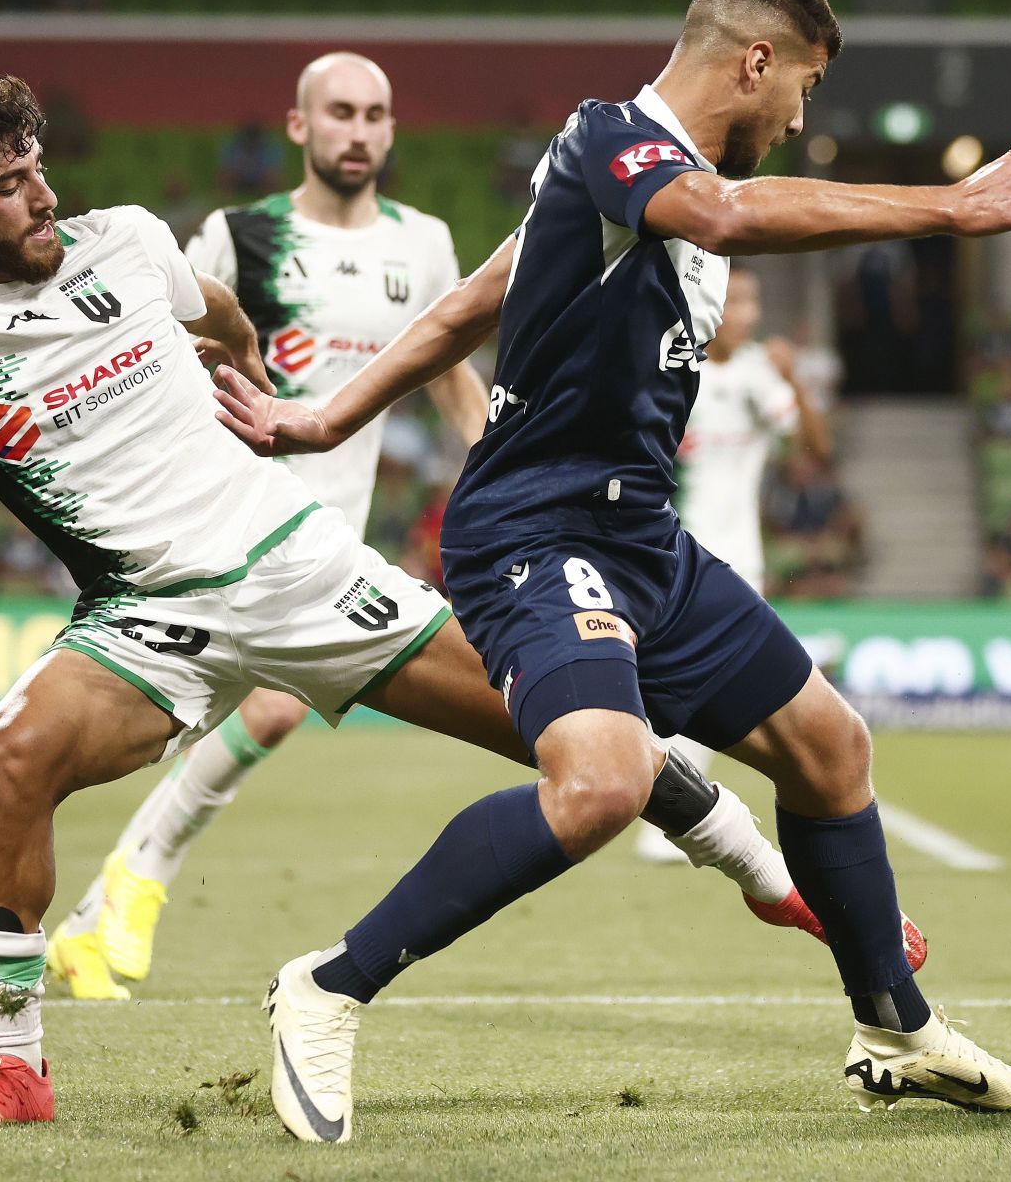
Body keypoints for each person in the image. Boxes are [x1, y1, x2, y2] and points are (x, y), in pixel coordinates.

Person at [0, 69, 854, 1131]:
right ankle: (14, 1065)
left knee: (572, 736)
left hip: (295, 561)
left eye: (35, 168)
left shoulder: (120, 239)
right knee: (5, 762)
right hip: (147, 613)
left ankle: (761, 871)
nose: (40, 197)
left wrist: (241, 356)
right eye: (4, 186)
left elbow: (215, 304)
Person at [216, 0, 1011, 1138]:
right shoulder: (611, 141)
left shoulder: (648, 186)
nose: (801, 118)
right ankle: (329, 983)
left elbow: (474, 300)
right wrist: (946, 206)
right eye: (807, 87)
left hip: (637, 531)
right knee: (602, 783)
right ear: (755, 62)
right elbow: (717, 215)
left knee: (831, 745)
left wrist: (326, 414)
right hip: (534, 525)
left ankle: (894, 1023)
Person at [47, 55, 832, 1000]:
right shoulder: (236, 236)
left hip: (329, 543)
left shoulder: (420, 242)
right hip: (225, 526)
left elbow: (462, 368)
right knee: (142, 731)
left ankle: (121, 896)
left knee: (568, 736)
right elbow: (164, 352)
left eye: (376, 114)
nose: (359, 130)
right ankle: (107, 905)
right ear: (300, 128)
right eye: (339, 112)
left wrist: (516, 489)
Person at [635, 264, 831, 861]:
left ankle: (674, 812)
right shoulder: (674, 367)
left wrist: (793, 379)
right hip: (668, 547)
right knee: (665, 679)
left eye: (752, 302)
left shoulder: (758, 377)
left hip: (737, 557)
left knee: (703, 682)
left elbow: (816, 450)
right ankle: (659, 799)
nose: (745, 314)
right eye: (735, 301)